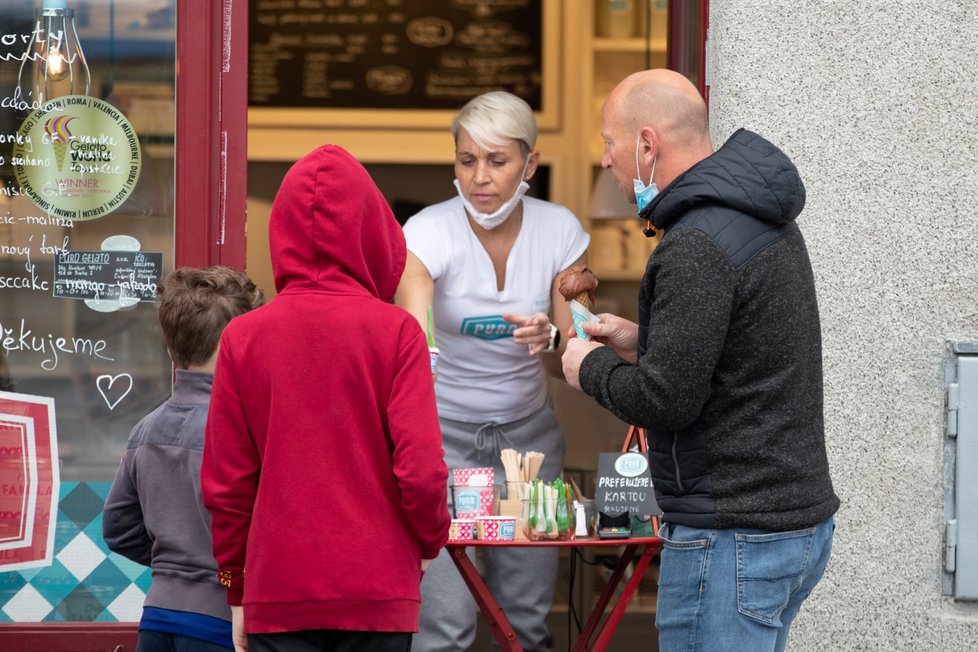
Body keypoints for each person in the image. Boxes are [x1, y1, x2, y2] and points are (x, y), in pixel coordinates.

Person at [561, 69, 840, 652]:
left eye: (610, 145)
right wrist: (643, 341)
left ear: (645, 144)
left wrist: (588, 367)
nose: (606, 163)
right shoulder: (756, 216)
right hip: (789, 526)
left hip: (732, 535)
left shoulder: (694, 243)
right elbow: (740, 351)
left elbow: (667, 400)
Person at [201, 144, 450, 652]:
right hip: (378, 589)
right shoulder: (398, 332)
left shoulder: (243, 339)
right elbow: (421, 469)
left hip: (278, 590)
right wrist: (429, 540)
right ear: (371, 229)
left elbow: (228, 483)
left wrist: (236, 588)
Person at [395, 90, 589, 651]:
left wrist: (551, 338)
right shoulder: (428, 232)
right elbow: (415, 341)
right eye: (466, 160)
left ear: (530, 163)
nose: (479, 177)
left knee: (524, 621)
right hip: (444, 442)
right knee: (445, 625)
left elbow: (572, 359)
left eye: (497, 161)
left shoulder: (560, 231)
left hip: (528, 442)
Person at [102, 265, 266, 652]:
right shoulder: (245, 431)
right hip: (224, 622)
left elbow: (118, 527)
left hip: (158, 614)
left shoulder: (146, 427)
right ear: (240, 343)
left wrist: (174, 568)